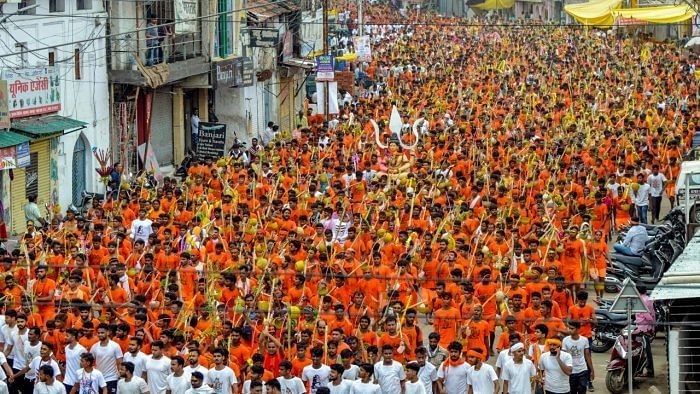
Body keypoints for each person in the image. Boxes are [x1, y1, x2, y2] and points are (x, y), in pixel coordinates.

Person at [90, 323, 123, 394]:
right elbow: (89, 362)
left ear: (107, 332)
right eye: (98, 333)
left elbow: (120, 362)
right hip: (98, 379)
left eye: (102, 332)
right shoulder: (94, 347)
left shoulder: (115, 346)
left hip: (112, 378)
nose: (100, 334)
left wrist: (120, 376)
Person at [562, 321, 594, 394]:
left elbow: (587, 356)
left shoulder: (584, 340)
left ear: (578, 329)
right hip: (571, 372)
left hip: (583, 370)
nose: (569, 330)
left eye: (572, 328)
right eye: (569, 328)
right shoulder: (565, 340)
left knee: (582, 390)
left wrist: (592, 370)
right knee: (572, 391)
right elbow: (563, 356)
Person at [634, 284, 656, 378]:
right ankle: (644, 370)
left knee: (643, 350)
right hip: (648, 328)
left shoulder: (640, 300)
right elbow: (653, 313)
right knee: (645, 350)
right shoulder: (649, 299)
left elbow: (646, 314)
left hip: (642, 328)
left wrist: (649, 320)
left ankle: (648, 370)